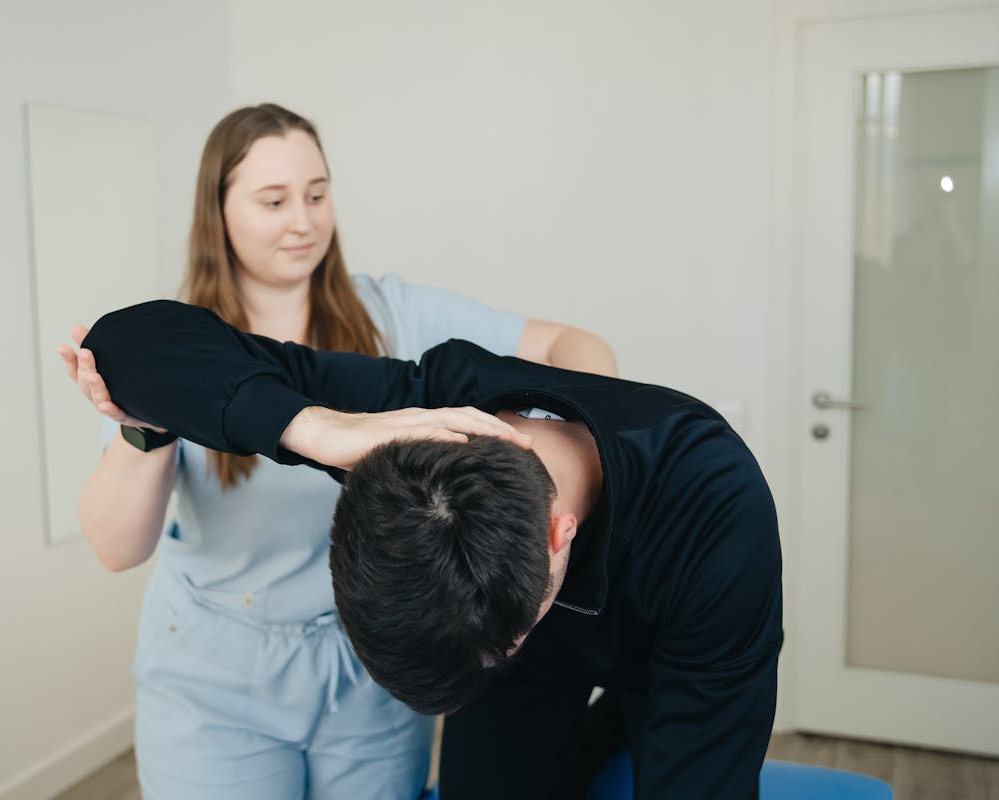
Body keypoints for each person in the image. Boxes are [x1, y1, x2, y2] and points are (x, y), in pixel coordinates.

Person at [57, 103, 618, 800]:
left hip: (366, 672)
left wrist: (554, 467)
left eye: (317, 195)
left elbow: (574, 346)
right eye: (273, 200)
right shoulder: (182, 355)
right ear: (218, 210)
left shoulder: (391, 315)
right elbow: (115, 548)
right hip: (216, 672)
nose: (303, 221)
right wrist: (148, 423)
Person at [78, 299, 784, 800]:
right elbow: (124, 343)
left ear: (557, 534)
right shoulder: (413, 433)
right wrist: (322, 431)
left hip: (668, 653)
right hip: (502, 646)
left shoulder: (713, 501)